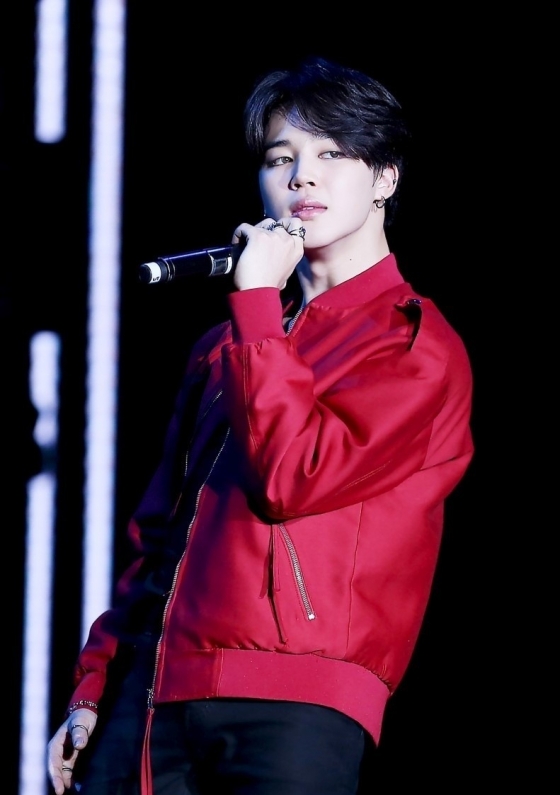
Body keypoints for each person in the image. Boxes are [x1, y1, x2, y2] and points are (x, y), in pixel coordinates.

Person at [47, 55, 474, 795]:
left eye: (332, 153)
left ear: (385, 177)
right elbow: (160, 534)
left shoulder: (414, 344)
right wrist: (96, 685)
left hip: (294, 704)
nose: (302, 177)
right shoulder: (226, 347)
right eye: (281, 158)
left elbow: (292, 478)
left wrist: (255, 309)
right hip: (152, 696)